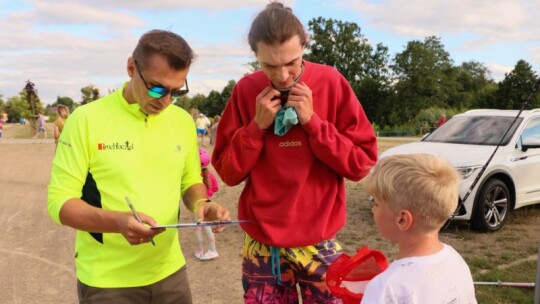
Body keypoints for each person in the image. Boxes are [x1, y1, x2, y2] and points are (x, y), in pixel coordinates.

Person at [47, 29, 230, 304]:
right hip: (107, 282)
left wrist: (202, 205)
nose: (165, 100)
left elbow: (190, 180)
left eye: (176, 91)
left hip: (171, 273)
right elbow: (59, 203)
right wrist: (118, 222)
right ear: (131, 67)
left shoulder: (181, 121)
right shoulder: (86, 120)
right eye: (157, 88)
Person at [211, 2, 378, 302]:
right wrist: (255, 128)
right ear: (255, 56)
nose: (283, 75)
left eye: (292, 62)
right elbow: (228, 173)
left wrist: (315, 124)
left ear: (304, 45)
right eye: (269, 66)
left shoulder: (332, 82)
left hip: (321, 243)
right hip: (262, 246)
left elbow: (361, 164)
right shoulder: (246, 90)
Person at [361, 154, 477, 303]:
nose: (373, 210)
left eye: (376, 204)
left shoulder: (386, 288)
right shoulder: (455, 260)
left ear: (402, 219)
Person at [192, 148, 220, 261]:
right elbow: (215, 188)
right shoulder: (210, 174)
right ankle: (212, 249)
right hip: (207, 204)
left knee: (198, 229)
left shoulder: (194, 176)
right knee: (208, 227)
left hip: (197, 206)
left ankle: (200, 251)